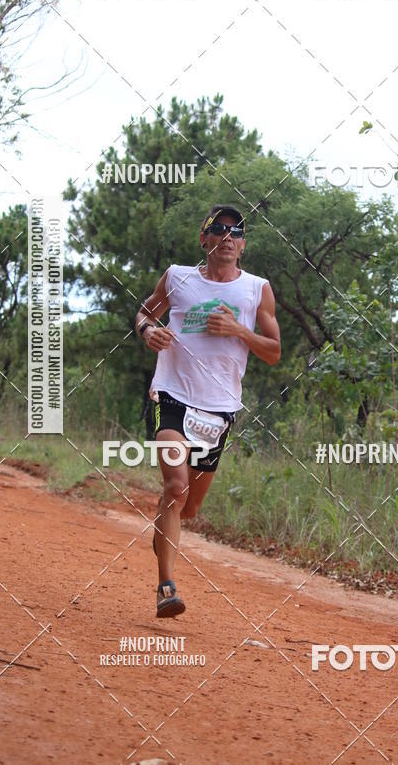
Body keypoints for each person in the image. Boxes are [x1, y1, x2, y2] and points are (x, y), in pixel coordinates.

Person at [135, 204, 281, 617]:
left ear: (244, 244)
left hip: (218, 410)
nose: (227, 237)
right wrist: (148, 331)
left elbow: (273, 352)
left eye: (236, 232)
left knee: (190, 506)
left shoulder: (256, 290)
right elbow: (146, 311)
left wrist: (239, 330)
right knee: (175, 487)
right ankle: (167, 587)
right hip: (172, 395)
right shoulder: (178, 277)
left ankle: (165, 531)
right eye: (218, 230)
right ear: (204, 239)